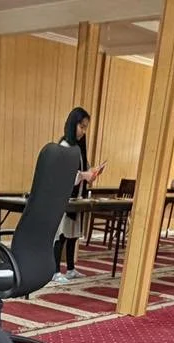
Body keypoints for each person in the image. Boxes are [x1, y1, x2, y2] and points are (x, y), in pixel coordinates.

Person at [51, 107, 105, 285]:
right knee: (61, 235)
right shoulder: (64, 146)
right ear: (73, 124)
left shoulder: (78, 148)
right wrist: (83, 175)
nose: (83, 131)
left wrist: (93, 173)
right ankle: (55, 271)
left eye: (86, 127)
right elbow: (64, 175)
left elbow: (84, 170)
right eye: (81, 126)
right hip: (63, 198)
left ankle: (71, 269)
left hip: (77, 197)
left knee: (73, 234)